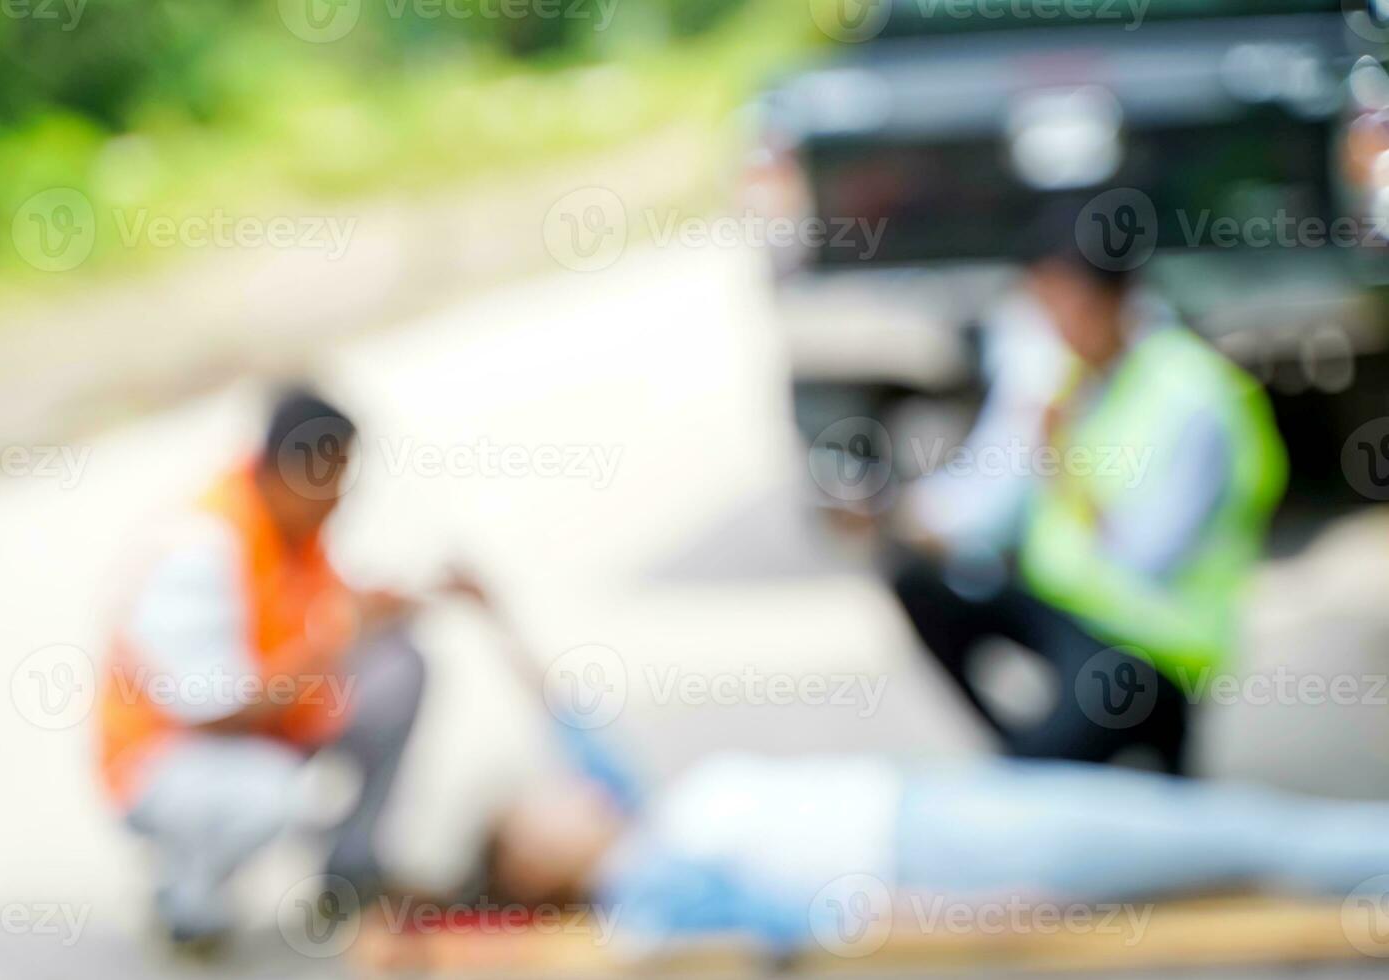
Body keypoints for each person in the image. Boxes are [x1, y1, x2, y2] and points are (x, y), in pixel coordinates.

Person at [892, 216, 1287, 773]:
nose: (1053, 328)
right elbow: (993, 490)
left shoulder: (1191, 395)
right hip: (1067, 613)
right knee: (918, 580)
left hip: (1150, 643)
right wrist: (923, 521)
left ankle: (1116, 754)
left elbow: (1146, 557)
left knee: (1034, 777)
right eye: (1042, 309)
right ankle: (1024, 749)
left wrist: (1065, 459)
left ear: (1117, 298)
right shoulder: (1072, 375)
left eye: (1064, 306)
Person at [96, 387, 482, 946]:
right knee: (279, 795)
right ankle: (188, 901)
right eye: (334, 479)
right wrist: (338, 637)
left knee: (399, 669)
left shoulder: (293, 531)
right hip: (166, 758)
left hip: (262, 725)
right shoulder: (202, 546)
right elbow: (216, 710)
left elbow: (322, 612)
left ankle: (351, 874)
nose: (342, 500)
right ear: (294, 471)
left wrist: (411, 598)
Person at [387, 751, 1389, 965]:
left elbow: (585, 731)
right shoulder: (649, 883)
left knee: (1228, 831)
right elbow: (811, 915)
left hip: (947, 805)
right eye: (544, 810)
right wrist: (980, 919)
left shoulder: (644, 824)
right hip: (950, 850)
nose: (574, 789)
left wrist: (493, 611)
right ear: (534, 868)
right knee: (1239, 834)